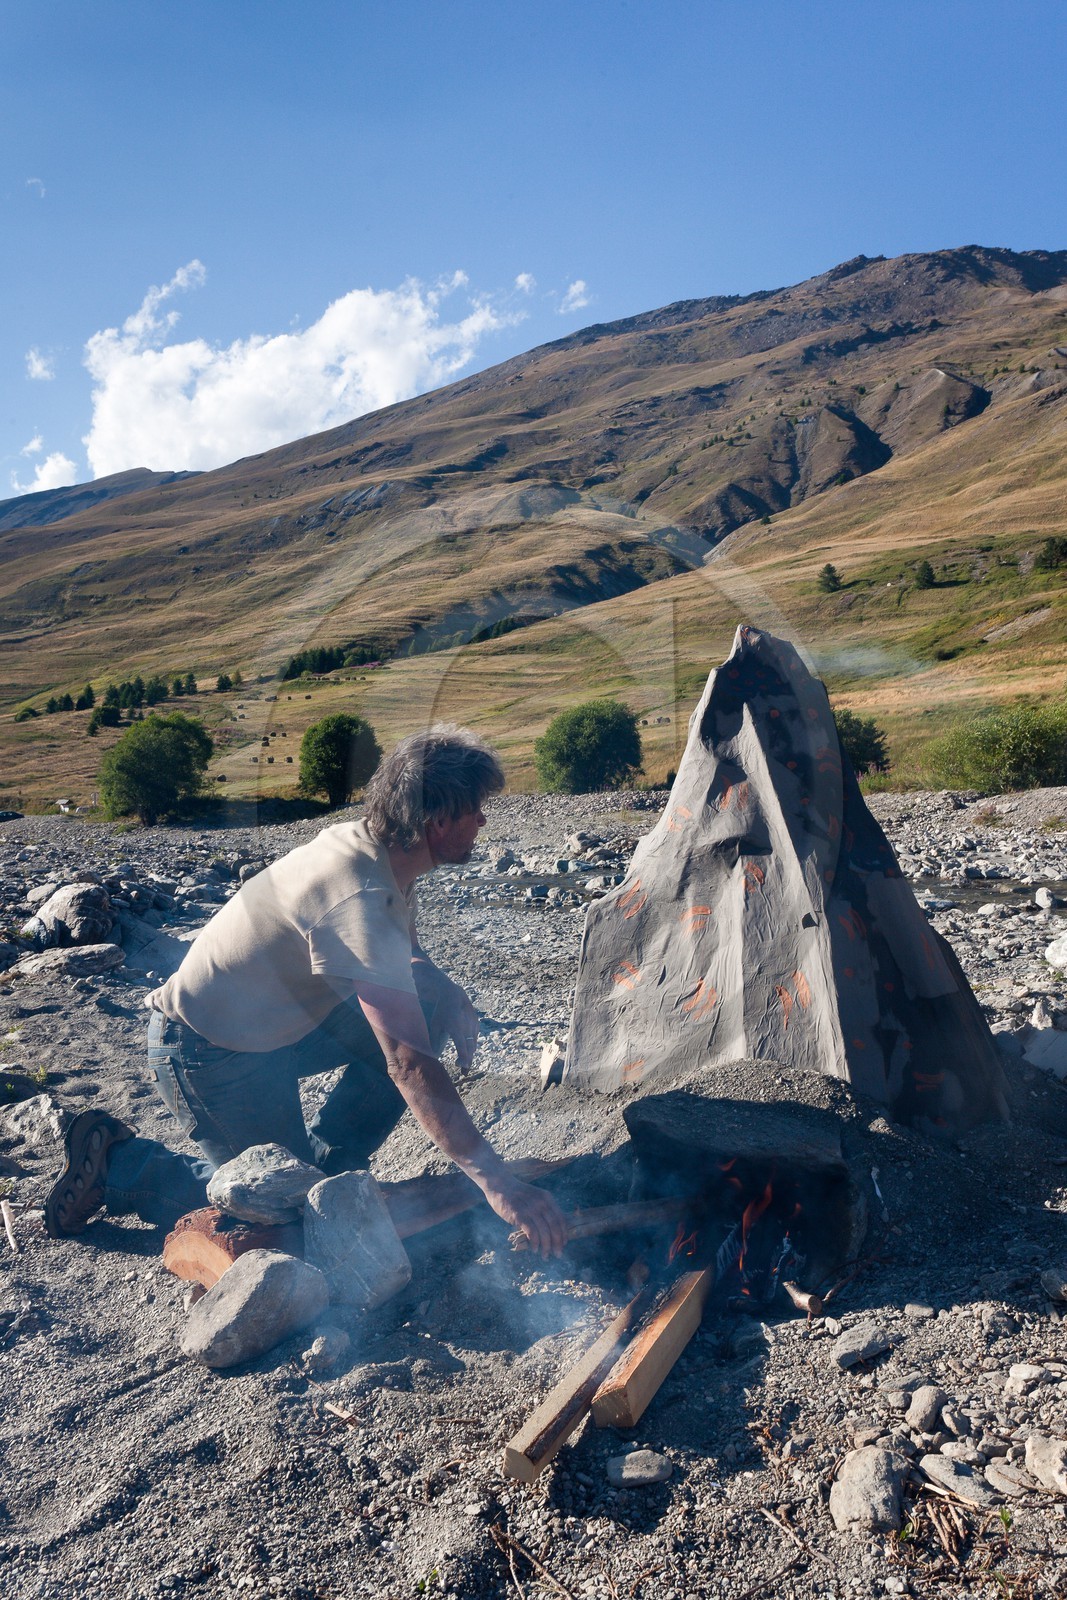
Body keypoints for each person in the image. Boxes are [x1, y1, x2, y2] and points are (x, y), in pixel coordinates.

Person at [45, 724, 567, 1257]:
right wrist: (495, 1180)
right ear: (435, 821)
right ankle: (121, 1164)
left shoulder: (380, 852)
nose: (482, 820)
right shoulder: (359, 892)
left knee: (423, 1014)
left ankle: (325, 1173)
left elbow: (402, 953)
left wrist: (447, 991)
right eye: (474, 808)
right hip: (206, 1047)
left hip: (277, 1026)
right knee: (280, 1207)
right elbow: (408, 1064)